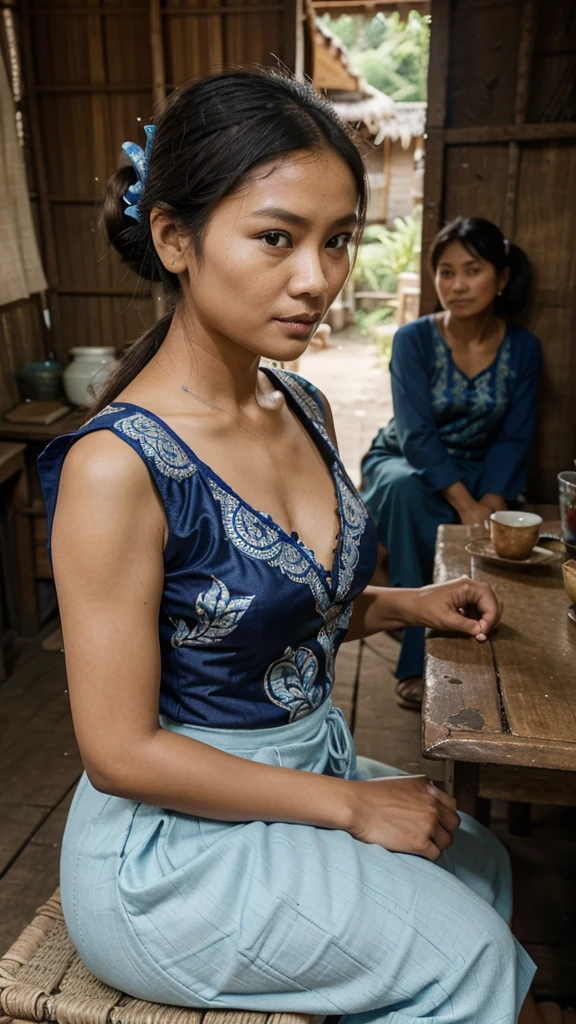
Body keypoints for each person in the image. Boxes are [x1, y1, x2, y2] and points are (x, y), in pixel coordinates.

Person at [38, 71, 559, 1024]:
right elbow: (118, 751)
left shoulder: (303, 407)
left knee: (477, 861)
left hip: (301, 768)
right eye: (276, 237)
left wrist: (406, 605)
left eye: (338, 239)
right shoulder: (119, 466)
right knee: (477, 958)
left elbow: (252, 614)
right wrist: (358, 807)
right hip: (173, 846)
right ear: (174, 239)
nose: (318, 278)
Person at [360, 217, 542, 710]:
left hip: (485, 467)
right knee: (402, 490)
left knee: (501, 523)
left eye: (472, 270)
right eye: (445, 272)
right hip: (405, 459)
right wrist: (463, 502)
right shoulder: (413, 340)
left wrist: (489, 499)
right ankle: (418, 658)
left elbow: (515, 435)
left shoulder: (524, 348)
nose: (456, 285)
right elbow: (415, 435)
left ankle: (476, 632)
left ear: (501, 278)